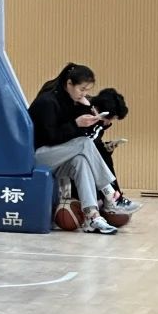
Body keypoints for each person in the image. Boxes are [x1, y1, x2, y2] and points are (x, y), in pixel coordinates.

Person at [30, 63, 140, 235]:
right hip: (38, 156)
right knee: (85, 143)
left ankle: (92, 217)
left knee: (81, 161)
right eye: (82, 89)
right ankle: (111, 195)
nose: (84, 94)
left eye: (87, 90)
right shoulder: (47, 101)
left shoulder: (71, 101)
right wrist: (76, 124)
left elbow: (70, 135)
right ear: (69, 84)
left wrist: (85, 108)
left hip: (56, 157)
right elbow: (51, 137)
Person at [90, 87, 130, 192]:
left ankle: (115, 195)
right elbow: (88, 142)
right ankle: (113, 196)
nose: (109, 122)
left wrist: (107, 148)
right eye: (110, 118)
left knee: (105, 154)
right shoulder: (87, 116)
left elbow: (95, 143)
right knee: (101, 156)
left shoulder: (98, 123)